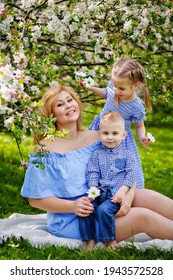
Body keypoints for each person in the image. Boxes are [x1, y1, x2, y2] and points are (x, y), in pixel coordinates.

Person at [21, 84, 173, 246]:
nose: (68, 106)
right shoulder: (44, 149)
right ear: (51, 115)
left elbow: (126, 168)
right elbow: (35, 199)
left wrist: (128, 197)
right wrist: (73, 206)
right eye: (60, 104)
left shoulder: (96, 137)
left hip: (104, 201)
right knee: (143, 217)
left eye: (69, 100)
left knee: (147, 196)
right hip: (76, 218)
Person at [80, 57, 152, 189]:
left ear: (135, 85)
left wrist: (142, 136)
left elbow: (139, 125)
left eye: (122, 88)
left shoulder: (136, 106)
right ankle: (90, 186)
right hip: (99, 129)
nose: (117, 91)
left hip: (119, 137)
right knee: (91, 156)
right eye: (115, 86)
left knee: (116, 164)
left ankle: (117, 189)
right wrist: (89, 87)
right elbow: (104, 93)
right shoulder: (114, 89)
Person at [78, 112, 136, 250]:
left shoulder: (127, 155)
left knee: (104, 210)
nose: (110, 137)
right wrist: (93, 189)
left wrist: (123, 191)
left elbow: (131, 174)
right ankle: (89, 240)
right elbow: (92, 173)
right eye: (106, 133)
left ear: (123, 135)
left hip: (115, 196)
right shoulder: (96, 155)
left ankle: (109, 242)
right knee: (85, 209)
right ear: (99, 134)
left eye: (115, 133)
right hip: (99, 193)